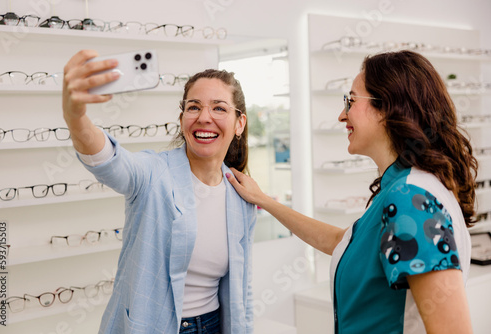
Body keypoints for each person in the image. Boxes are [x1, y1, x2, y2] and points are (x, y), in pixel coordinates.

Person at [227, 50, 478, 334]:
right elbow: (342, 241)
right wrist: (263, 200)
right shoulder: (405, 187)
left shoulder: (410, 197)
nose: (341, 115)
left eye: (351, 100)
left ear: (388, 108)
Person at [62, 50, 256, 334]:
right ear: (182, 119)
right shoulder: (152, 173)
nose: (204, 117)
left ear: (239, 123)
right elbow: (109, 160)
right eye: (193, 107)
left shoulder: (241, 194)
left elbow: (243, 289)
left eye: (219, 108)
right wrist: (74, 116)